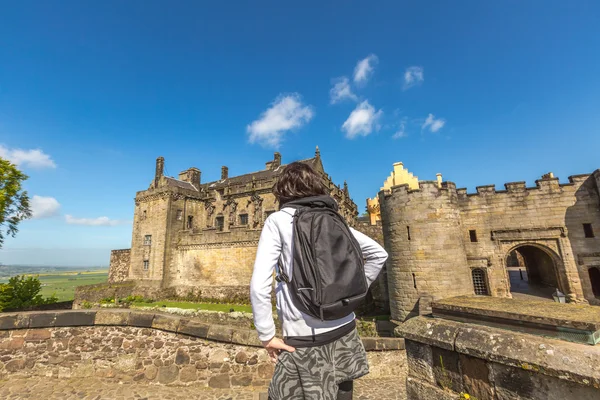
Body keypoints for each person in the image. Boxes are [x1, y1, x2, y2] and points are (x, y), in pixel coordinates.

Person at [250, 162, 388, 400]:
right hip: (346, 329)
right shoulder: (334, 218)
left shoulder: (279, 220)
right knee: (343, 395)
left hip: (305, 337)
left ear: (282, 190)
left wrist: (267, 335)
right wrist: (353, 291)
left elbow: (259, 285)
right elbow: (379, 254)